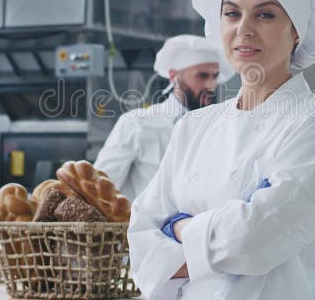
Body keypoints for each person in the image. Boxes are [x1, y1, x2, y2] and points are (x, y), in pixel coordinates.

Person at [128, 0, 315, 300]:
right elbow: (140, 233)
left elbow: (260, 236)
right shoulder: (195, 126)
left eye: (265, 16)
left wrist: (181, 228)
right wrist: (223, 236)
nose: (243, 30)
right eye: (232, 14)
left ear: (296, 30)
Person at [93, 35, 232, 200]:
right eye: (202, 76)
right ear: (174, 76)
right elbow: (99, 191)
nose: (211, 85)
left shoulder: (219, 127)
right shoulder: (136, 123)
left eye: (214, 76)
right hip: (142, 225)